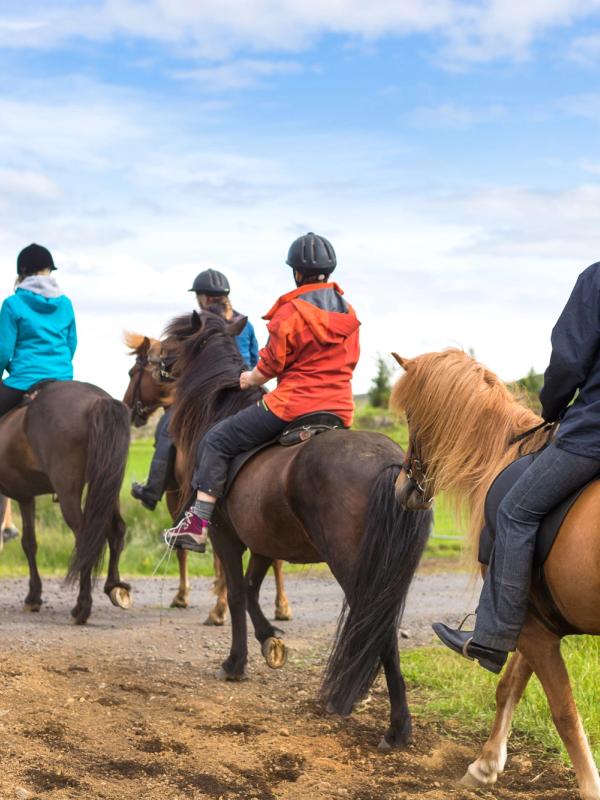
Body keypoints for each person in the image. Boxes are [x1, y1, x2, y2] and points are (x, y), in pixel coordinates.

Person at [433, 262, 600, 673]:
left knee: (515, 510)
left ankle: (490, 638)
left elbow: (568, 361)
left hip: (592, 435)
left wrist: (553, 408)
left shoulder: (595, 279)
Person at [163, 232, 361, 553]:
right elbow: (351, 360)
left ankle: (197, 525)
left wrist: (249, 380)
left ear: (296, 272)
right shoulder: (348, 313)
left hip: (292, 406)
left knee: (217, 439)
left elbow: (271, 363)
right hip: (339, 408)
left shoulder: (290, 311)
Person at [131, 268, 259, 510]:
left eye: (198, 297)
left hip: (209, 395)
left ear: (205, 298)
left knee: (167, 428)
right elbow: (254, 358)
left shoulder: (199, 324)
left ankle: (152, 489)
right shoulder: (245, 323)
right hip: (245, 391)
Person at [0, 243, 77, 418]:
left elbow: (3, 350)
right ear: (49, 270)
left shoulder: (12, 303)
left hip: (24, 380)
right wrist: (57, 367)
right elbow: (71, 344)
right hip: (62, 379)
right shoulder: (66, 304)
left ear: (22, 272)